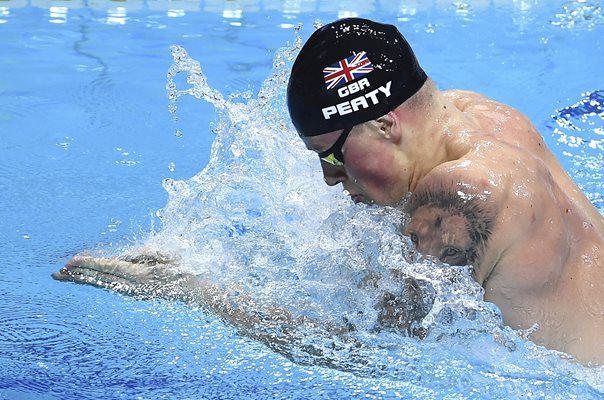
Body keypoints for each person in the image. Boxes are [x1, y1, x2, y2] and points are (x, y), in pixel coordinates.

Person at [286, 18, 604, 365]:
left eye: (331, 154)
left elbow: (368, 350)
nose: (329, 176)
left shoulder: (456, 200)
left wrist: (226, 303)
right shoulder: (487, 115)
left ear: (386, 125)